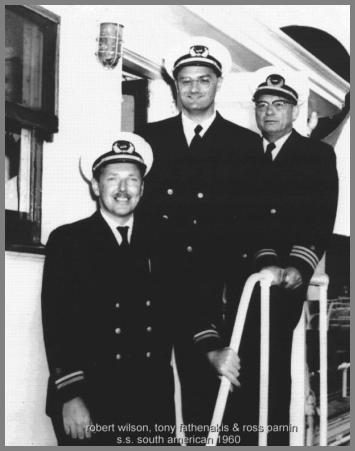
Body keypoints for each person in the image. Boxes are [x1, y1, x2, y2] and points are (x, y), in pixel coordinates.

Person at [137, 37, 262, 439]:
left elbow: (254, 220)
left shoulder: (244, 145)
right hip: (158, 286)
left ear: (218, 83)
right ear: (175, 86)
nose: (193, 88)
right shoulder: (150, 139)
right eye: (185, 81)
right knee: (151, 392)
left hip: (216, 292)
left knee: (209, 396)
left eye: (202, 80)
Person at [41, 133, 178, 446]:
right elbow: (58, 324)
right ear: (95, 185)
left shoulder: (161, 241)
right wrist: (71, 397)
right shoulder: (69, 242)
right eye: (112, 178)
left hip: (150, 399)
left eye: (132, 180)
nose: (122, 189)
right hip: (91, 397)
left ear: (142, 188)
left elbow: (181, 305)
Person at [229, 69, 339, 445]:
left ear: (295, 111)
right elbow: (246, 219)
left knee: (271, 367)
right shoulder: (245, 156)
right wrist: (265, 260)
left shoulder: (316, 156)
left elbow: (321, 216)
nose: (269, 112)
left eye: (279, 105)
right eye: (262, 106)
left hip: (287, 279)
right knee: (239, 366)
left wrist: (298, 265)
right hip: (249, 272)